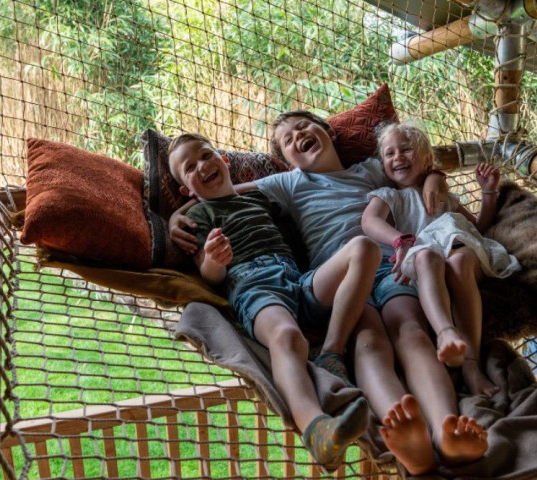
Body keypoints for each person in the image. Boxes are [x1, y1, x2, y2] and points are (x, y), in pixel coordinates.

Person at [171, 113, 488, 476]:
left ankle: (446, 428)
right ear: (286, 161)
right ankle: (403, 430)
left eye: (304, 128)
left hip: (392, 265)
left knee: (412, 332)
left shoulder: (372, 170)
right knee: (368, 342)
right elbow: (222, 195)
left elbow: (415, 164)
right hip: (340, 279)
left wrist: (434, 177)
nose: (298, 137)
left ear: (329, 132)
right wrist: (176, 217)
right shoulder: (288, 182)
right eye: (287, 140)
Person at [167, 132, 381, 471]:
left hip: (297, 278)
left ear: (224, 160)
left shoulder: (259, 197)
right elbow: (209, 274)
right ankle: (317, 429)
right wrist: (214, 259)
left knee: (364, 248)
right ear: (185, 189)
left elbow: (288, 184)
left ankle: (331, 352)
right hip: (254, 285)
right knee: (287, 337)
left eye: (206, 156)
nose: (202, 166)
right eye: (189, 168)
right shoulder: (200, 215)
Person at [361, 122, 521, 398]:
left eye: (406, 150)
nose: (398, 157)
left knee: (458, 263)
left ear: (427, 159)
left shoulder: (445, 195)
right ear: (383, 165)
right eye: (389, 153)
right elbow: (369, 221)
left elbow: (477, 228)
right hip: (427, 258)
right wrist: (400, 240)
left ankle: (471, 365)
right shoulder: (390, 196)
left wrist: (488, 193)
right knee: (425, 257)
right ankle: (446, 332)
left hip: (463, 252)